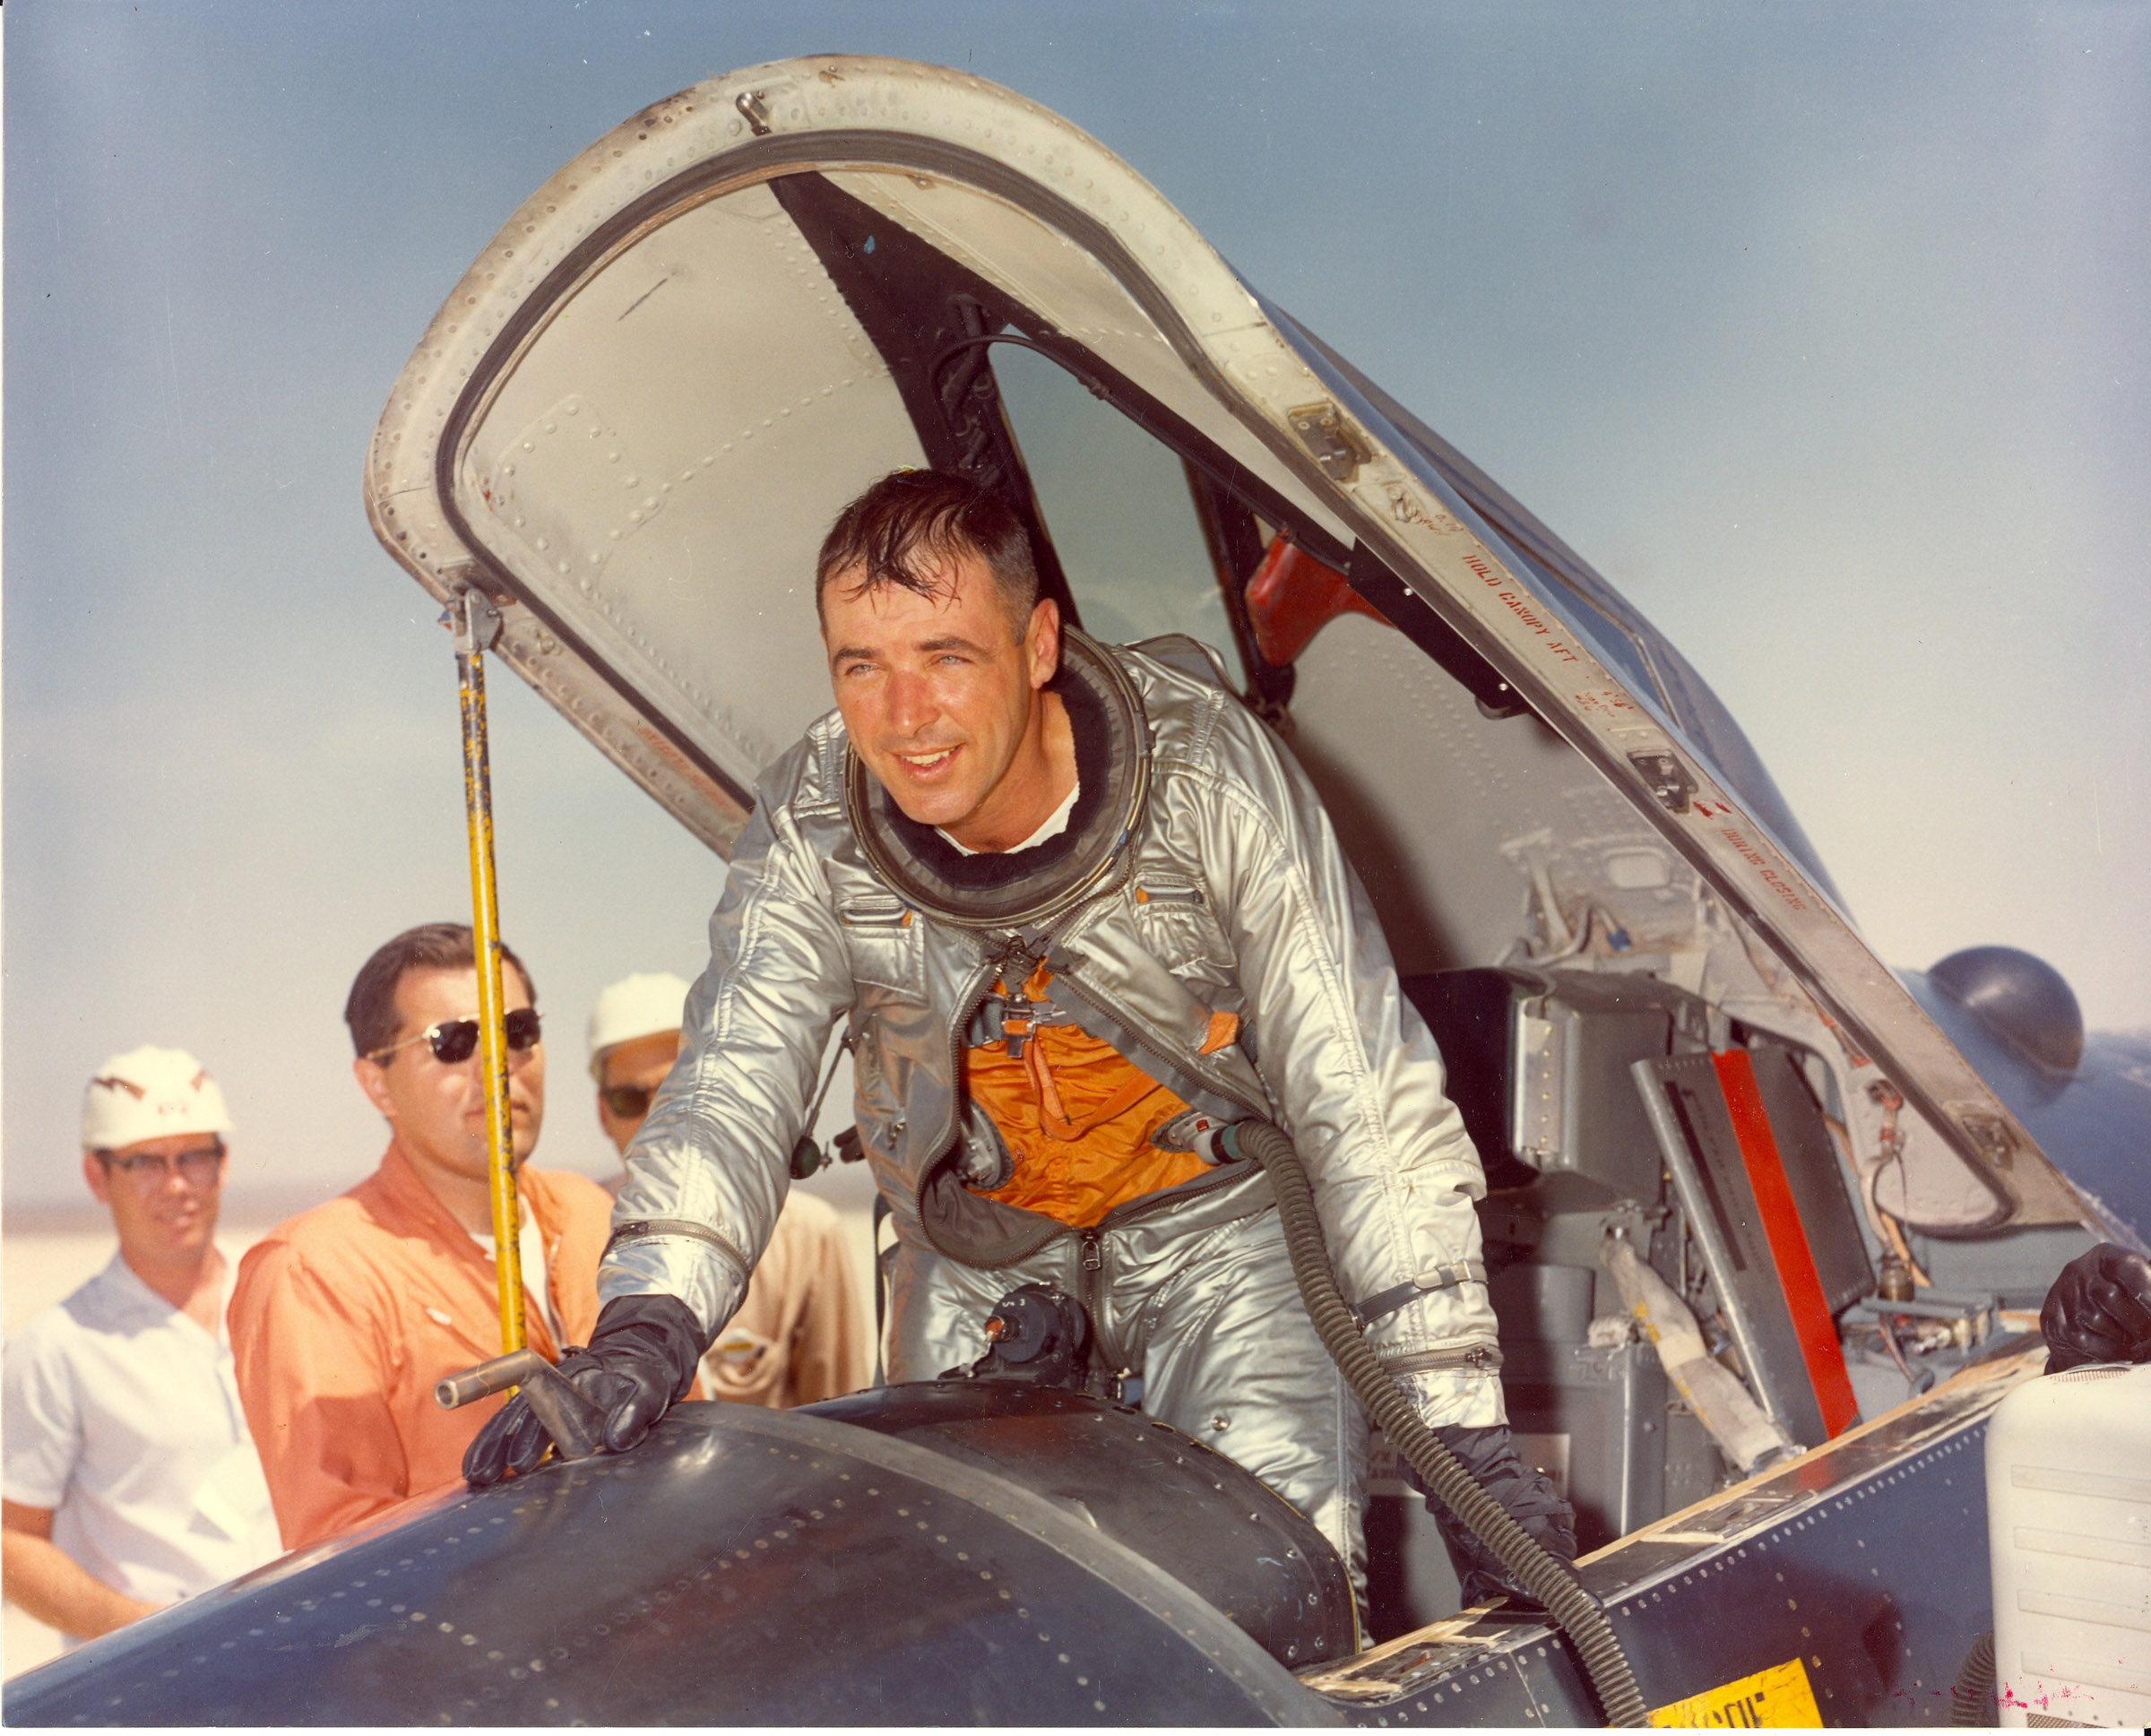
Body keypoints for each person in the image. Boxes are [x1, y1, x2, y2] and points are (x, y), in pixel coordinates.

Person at [471, 470, 1572, 1598]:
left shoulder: (1203, 776)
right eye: (862, 665)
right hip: (978, 1251)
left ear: (1039, 643)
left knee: (1267, 1607)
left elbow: (1361, 1093)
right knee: (963, 1622)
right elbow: (731, 1084)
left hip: (1230, 1245)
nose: (903, 717)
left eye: (946, 654)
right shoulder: (815, 820)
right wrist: (647, 1324)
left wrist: (1464, 1439)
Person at [227, 923, 614, 1551]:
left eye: (518, 1032)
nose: (497, 1067)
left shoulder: (593, 1216)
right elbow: (344, 1552)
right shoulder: (317, 1273)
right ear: (377, 1083)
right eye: (455, 1041)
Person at [3, 1049, 279, 1643]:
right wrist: (137, 1633)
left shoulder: (279, 1298)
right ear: (97, 1176)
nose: (176, 1185)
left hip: (304, 1651)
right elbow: (12, 1539)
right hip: (163, 1682)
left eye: (194, 1157)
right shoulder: (58, 1348)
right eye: (144, 1163)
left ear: (223, 1164)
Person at [587, 972, 868, 1407]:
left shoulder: (807, 1233)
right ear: (603, 1114)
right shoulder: (573, 1226)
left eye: (672, 1094)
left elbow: (843, 1411)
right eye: (629, 1099)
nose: (654, 1119)